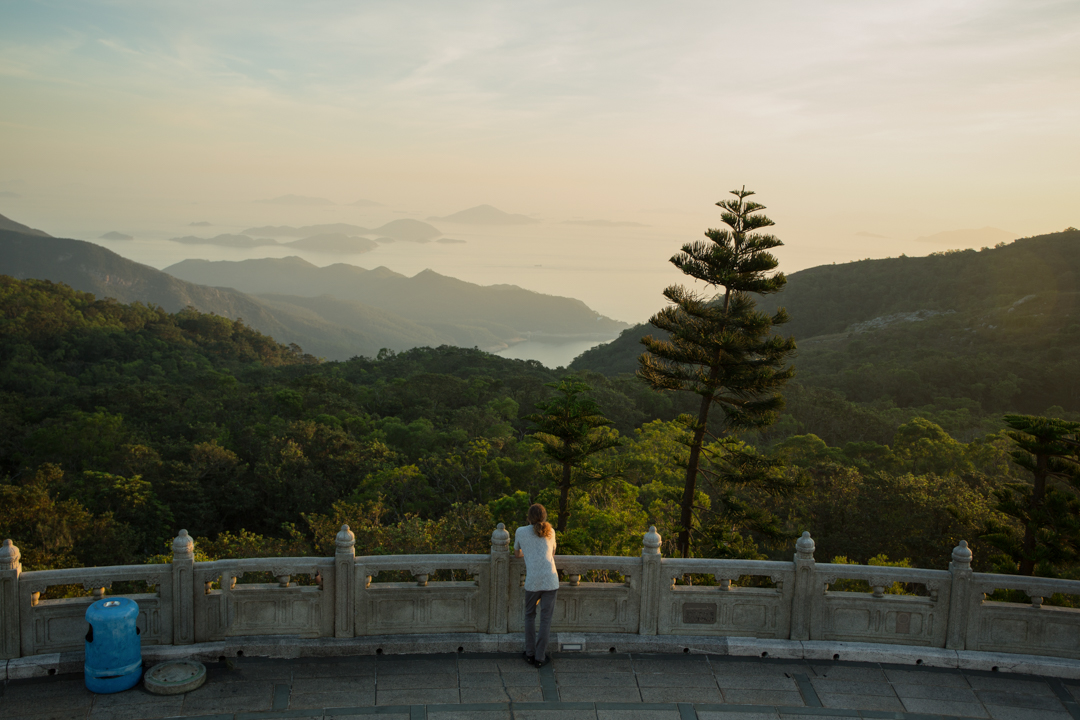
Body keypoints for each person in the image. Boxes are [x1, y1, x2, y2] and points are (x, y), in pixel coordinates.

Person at [514, 503, 559, 667]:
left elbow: (517, 553)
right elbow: (552, 553)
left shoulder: (520, 531)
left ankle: (529, 653)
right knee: (546, 619)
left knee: (529, 615)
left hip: (533, 581)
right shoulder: (551, 531)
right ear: (544, 516)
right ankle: (540, 658)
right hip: (551, 579)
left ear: (529, 517)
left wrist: (529, 552)